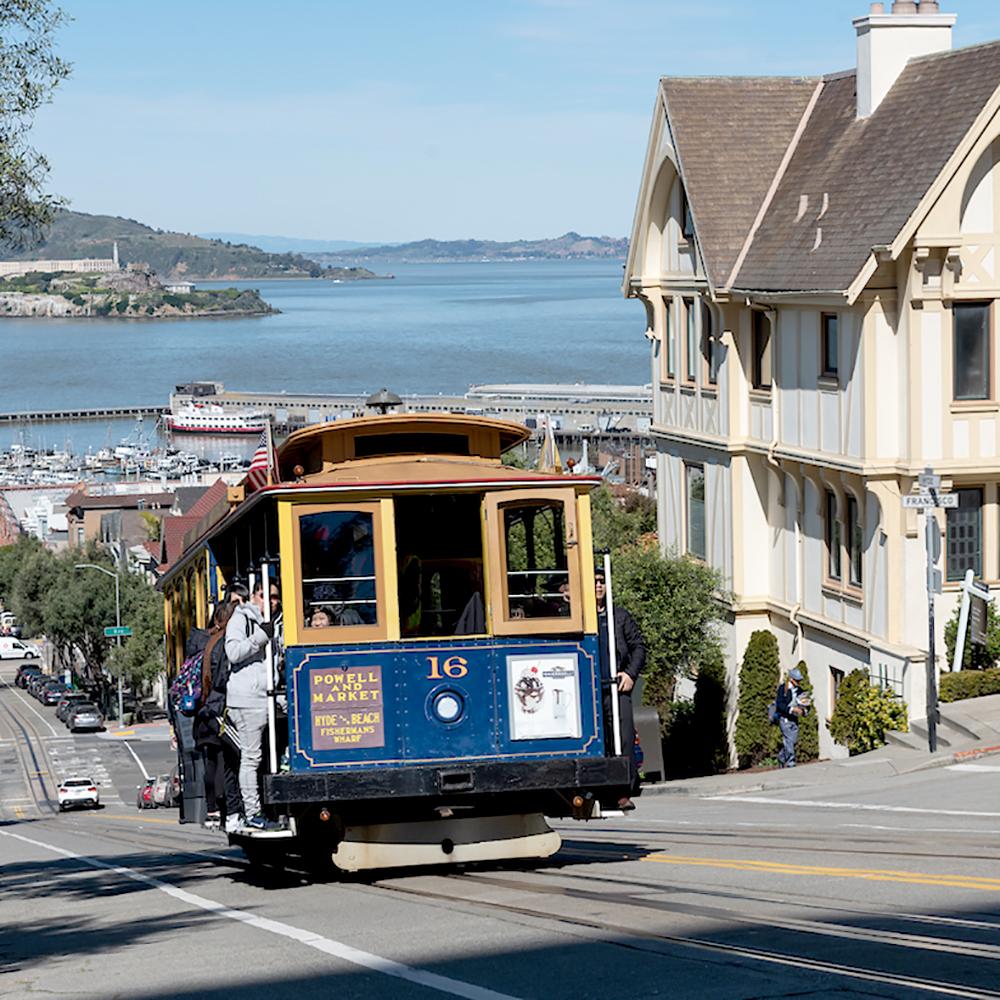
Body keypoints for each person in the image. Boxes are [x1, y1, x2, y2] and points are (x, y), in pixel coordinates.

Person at [224, 581, 277, 831]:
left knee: (269, 754)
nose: (271, 600)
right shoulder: (241, 618)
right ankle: (252, 812)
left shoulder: (279, 621)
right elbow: (233, 653)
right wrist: (260, 637)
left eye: (275, 596)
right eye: (264, 595)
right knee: (251, 757)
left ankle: (270, 807)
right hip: (247, 699)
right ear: (254, 595)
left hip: (270, 697)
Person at [594, 568, 645, 811]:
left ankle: (623, 792)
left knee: (623, 738)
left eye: (602, 582)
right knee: (600, 740)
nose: (598, 586)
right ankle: (601, 791)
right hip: (590, 690)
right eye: (594, 582)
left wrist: (630, 674)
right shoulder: (582, 617)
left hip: (617, 688)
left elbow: (638, 647)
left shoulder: (620, 616)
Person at [194, 602, 241, 830]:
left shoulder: (207, 642)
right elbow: (222, 680)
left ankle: (214, 810)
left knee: (213, 762)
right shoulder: (224, 644)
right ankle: (231, 810)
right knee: (234, 757)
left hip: (206, 711)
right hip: (220, 708)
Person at [776, 667, 808, 768]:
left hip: (794, 719)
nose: (798, 682)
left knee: (792, 741)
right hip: (784, 719)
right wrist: (792, 709)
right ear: (791, 679)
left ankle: (781, 757)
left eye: (799, 680)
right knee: (789, 740)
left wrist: (803, 711)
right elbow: (779, 704)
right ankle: (791, 762)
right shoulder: (783, 689)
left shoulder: (800, 691)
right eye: (797, 680)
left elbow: (806, 705)